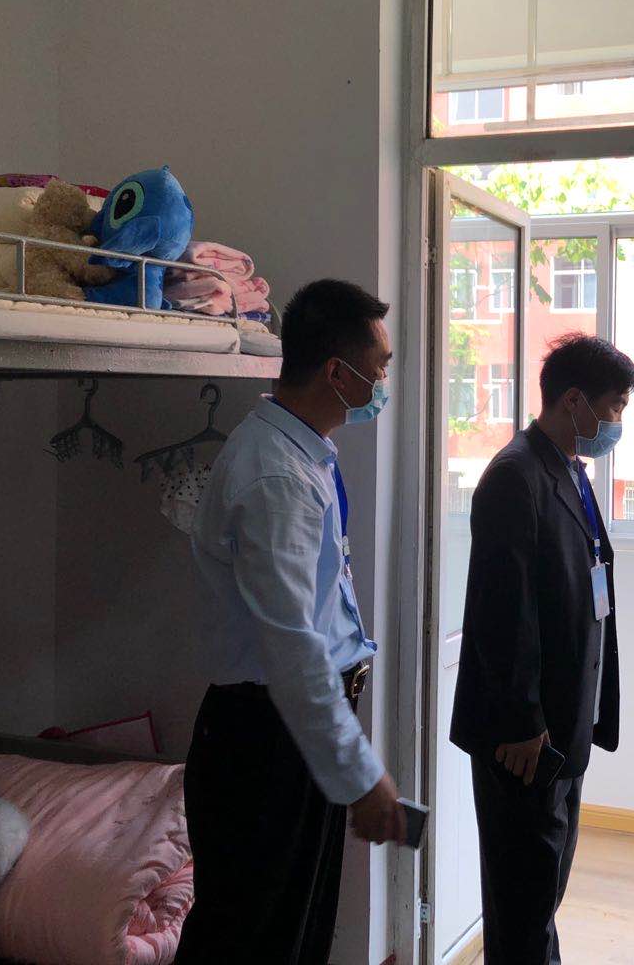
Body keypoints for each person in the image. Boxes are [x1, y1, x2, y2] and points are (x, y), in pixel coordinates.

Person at [176, 279, 407, 965]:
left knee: (293, 934)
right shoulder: (277, 477)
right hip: (266, 738)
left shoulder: (302, 454)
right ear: (337, 373)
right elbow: (294, 651)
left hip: (288, 730)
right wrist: (359, 773)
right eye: (379, 368)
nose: (383, 383)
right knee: (256, 941)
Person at [450, 332, 634, 964]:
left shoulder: (568, 470)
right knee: (523, 900)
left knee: (542, 886)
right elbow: (502, 613)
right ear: (574, 401)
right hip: (524, 739)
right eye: (614, 406)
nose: (617, 422)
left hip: (562, 725)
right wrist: (522, 721)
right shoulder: (515, 476)